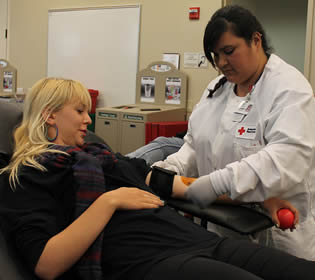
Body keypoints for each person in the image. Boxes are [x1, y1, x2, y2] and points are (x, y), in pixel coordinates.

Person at [0, 77, 314, 280]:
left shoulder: (103, 156)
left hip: (196, 242)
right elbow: (46, 264)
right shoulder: (28, 174)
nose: (88, 119)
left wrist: (258, 197)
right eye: (80, 111)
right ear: (49, 115)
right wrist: (110, 201)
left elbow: (182, 187)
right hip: (148, 260)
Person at [153, 5, 315, 260]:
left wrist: (210, 185)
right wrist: (170, 169)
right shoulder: (217, 89)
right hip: (223, 222)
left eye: (229, 51)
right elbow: (196, 145)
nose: (221, 63)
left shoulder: (289, 90)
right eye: (215, 55)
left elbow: (283, 160)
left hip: (276, 231)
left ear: (255, 40)